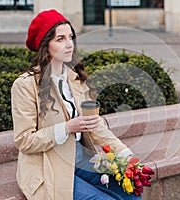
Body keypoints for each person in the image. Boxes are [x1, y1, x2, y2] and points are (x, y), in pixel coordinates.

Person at [11, 9, 142, 200]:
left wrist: (126, 156)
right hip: (47, 164)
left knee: (131, 192)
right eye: (60, 39)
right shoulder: (25, 85)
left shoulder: (75, 78)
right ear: (45, 45)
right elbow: (24, 140)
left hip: (79, 156)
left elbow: (94, 125)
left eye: (70, 37)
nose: (69, 44)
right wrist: (66, 128)